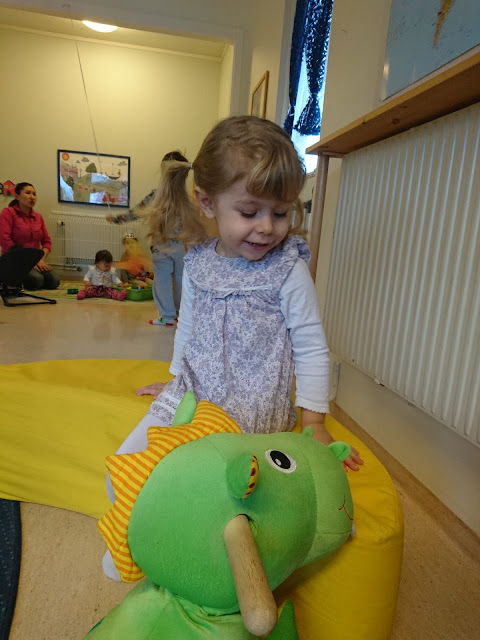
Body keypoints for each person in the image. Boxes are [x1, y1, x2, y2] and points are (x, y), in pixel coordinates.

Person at [116, 116, 363, 471]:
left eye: (280, 212)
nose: (267, 227)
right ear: (207, 202)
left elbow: (310, 347)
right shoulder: (198, 262)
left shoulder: (287, 269)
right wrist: (176, 381)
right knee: (131, 467)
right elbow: (188, 328)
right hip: (195, 399)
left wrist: (314, 423)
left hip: (255, 415)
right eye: (249, 212)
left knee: (226, 480)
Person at [106, 151, 190, 327]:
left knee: (162, 281)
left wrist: (117, 219)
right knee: (181, 281)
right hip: (180, 248)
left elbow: (136, 212)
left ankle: (167, 317)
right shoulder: (186, 199)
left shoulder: (156, 196)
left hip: (162, 248)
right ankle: (181, 315)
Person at [0, 182, 60, 290]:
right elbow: (4, 239)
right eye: (27, 193)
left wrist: (39, 260)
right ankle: (9, 281)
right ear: (17, 196)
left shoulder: (38, 217)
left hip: (35, 260)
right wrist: (28, 261)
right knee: (37, 280)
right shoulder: (8, 212)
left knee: (54, 281)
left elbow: (46, 242)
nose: (32, 197)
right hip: (15, 260)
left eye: (34, 194)